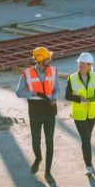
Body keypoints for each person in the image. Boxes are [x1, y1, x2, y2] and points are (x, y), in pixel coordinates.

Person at [16, 46, 58, 177]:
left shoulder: (53, 71)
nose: (50, 60)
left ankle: (48, 171)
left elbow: (57, 89)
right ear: (40, 60)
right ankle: (38, 158)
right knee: (36, 140)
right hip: (35, 110)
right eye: (47, 58)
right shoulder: (27, 74)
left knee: (50, 141)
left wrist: (54, 98)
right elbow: (19, 93)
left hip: (50, 109)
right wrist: (32, 93)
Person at [65, 52, 95, 176]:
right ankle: (88, 166)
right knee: (85, 139)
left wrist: (93, 98)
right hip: (79, 114)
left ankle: (88, 159)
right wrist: (79, 98)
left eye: (84, 63)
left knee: (87, 138)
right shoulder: (72, 77)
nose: (81, 65)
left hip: (92, 113)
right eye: (80, 63)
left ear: (90, 65)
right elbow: (67, 95)